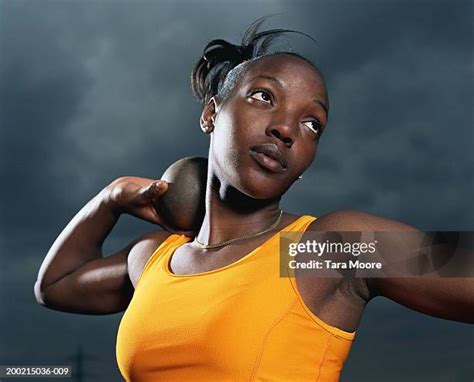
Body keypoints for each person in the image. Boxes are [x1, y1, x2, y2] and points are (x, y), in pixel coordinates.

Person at [34, 18, 474, 382]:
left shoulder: (316, 252)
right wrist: (112, 197)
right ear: (211, 113)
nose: (286, 129)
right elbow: (54, 285)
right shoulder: (155, 259)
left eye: (311, 124)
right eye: (265, 97)